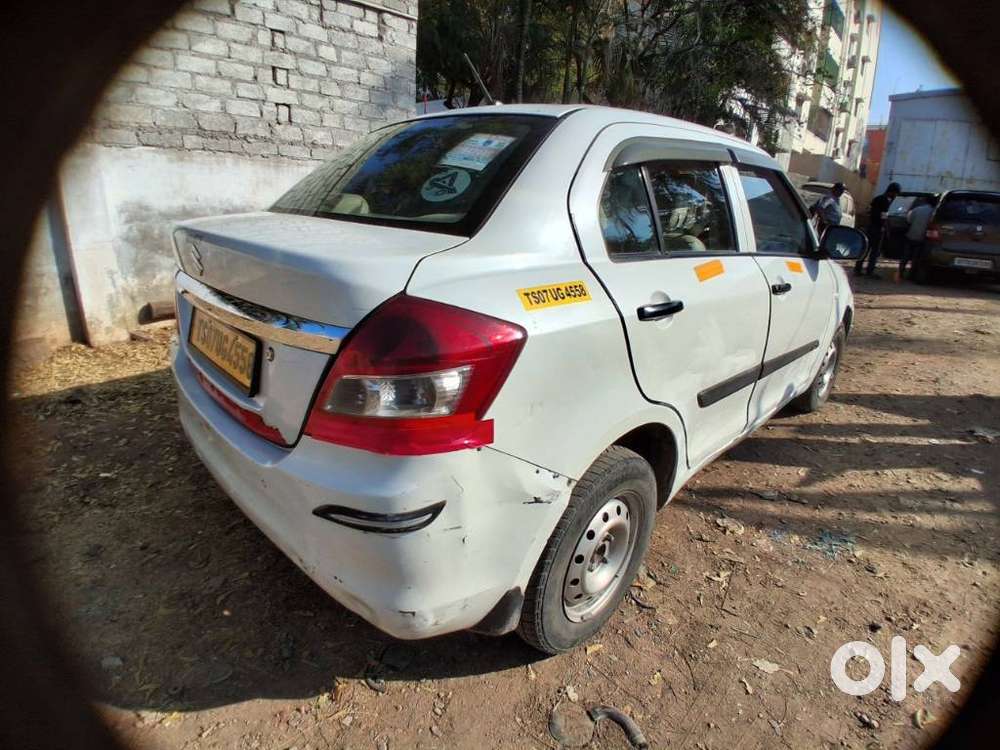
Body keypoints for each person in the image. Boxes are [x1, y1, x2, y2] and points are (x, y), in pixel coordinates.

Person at [855, 181, 901, 277]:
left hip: (870, 226)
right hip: (877, 228)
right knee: (875, 251)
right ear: (892, 192)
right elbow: (884, 216)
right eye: (896, 194)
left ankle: (858, 269)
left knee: (866, 249)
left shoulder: (878, 198)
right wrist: (886, 229)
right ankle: (869, 271)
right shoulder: (886, 201)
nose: (895, 196)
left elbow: (869, 212)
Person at [899, 194, 938, 281]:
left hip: (911, 236)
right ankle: (911, 275)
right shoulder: (934, 213)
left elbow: (909, 221)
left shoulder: (917, 209)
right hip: (922, 239)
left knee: (905, 256)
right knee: (916, 258)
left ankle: (900, 273)